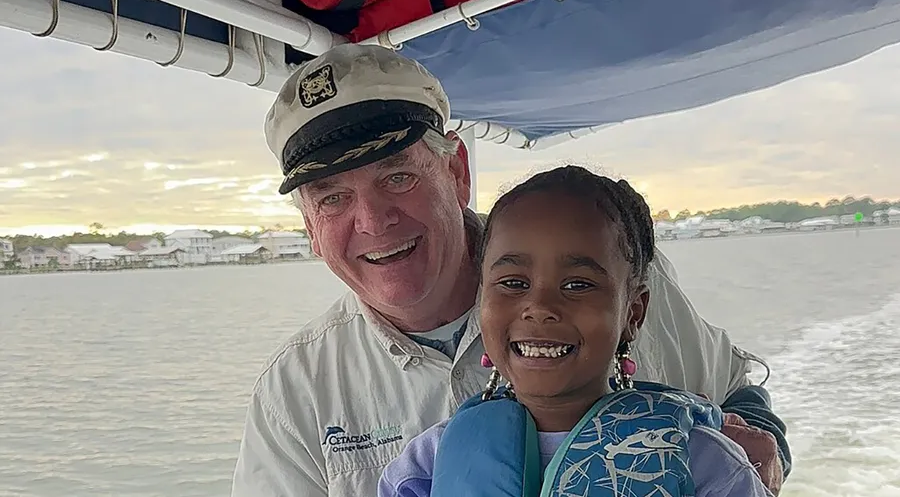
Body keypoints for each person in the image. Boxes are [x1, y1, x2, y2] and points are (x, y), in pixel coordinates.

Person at [230, 43, 789, 497]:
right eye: (331, 198)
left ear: (457, 170)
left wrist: (758, 454)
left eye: (397, 176)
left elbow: (735, 393)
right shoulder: (295, 394)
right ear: (309, 226)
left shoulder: (618, 285)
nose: (373, 221)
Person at [376, 166, 770, 497]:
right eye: (513, 283)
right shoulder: (428, 461)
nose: (541, 308)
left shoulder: (703, 461)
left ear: (634, 312)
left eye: (578, 285)